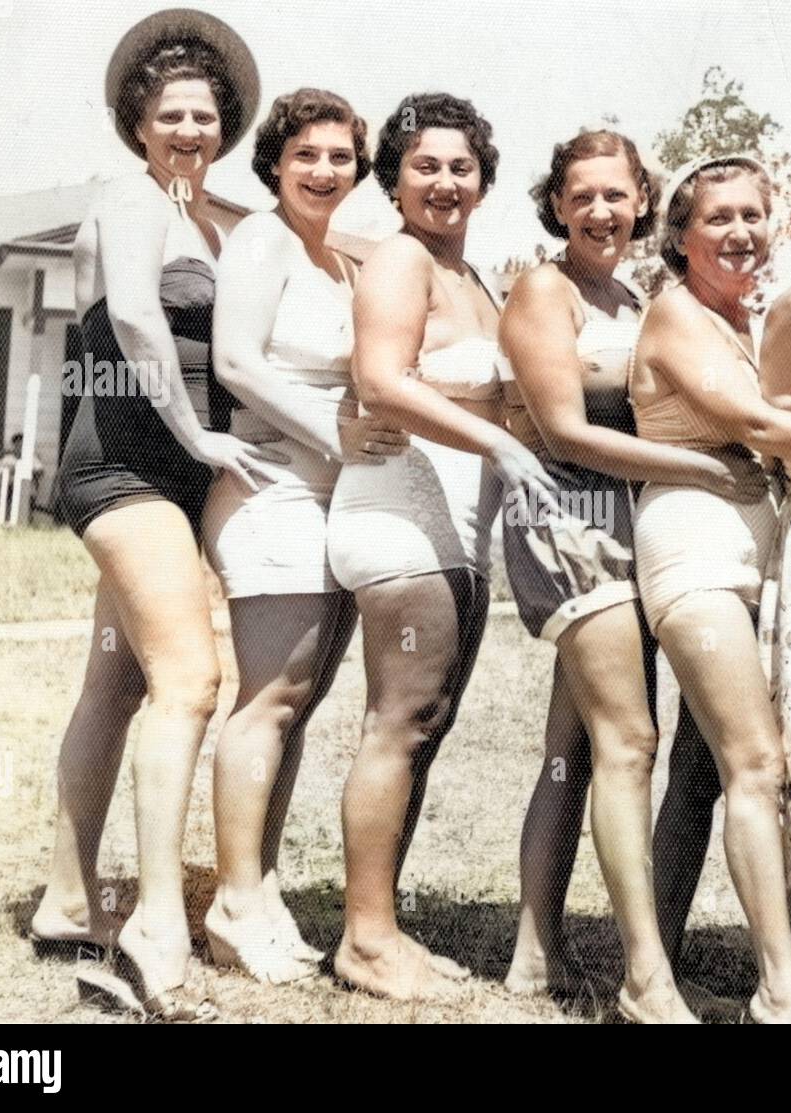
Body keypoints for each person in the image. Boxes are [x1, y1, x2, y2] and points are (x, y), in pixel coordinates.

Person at [497, 131, 767, 1021]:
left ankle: (542, 951)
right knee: (628, 741)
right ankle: (646, 980)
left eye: (619, 195)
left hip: (634, 517)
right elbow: (566, 431)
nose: (603, 212)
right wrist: (702, 470)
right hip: (567, 517)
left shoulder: (638, 294)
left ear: (643, 200)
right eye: (585, 197)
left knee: (575, 746)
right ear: (559, 205)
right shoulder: (545, 287)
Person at [39, 9, 269, 1019]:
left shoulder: (220, 216)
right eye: (170, 115)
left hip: (174, 476)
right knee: (191, 678)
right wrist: (200, 435)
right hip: (127, 464)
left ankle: (64, 900)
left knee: (116, 684)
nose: (188, 130)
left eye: (205, 116)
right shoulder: (130, 204)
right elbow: (135, 317)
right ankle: (152, 925)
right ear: (138, 123)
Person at [632, 154, 791, 1023]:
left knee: (700, 769)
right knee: (757, 761)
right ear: (679, 235)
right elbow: (753, 424)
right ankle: (783, 988)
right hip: (695, 550)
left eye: (754, 216)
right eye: (718, 219)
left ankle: (656, 972)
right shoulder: (675, 313)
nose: (740, 233)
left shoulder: (741, 319)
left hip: (755, 555)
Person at [326, 92, 557, 1001]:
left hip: (456, 531)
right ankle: (365, 940)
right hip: (398, 514)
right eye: (425, 165)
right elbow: (379, 379)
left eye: (463, 166)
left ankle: (380, 927)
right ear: (394, 178)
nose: (446, 181)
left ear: (485, 179)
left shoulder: (478, 279)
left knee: (427, 723)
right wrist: (499, 442)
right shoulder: (399, 258)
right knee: (400, 719)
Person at [202, 88, 403, 983]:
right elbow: (236, 363)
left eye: (340, 157)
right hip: (271, 485)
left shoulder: (341, 262)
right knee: (270, 697)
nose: (325, 171)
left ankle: (261, 882)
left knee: (302, 699)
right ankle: (233, 900)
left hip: (336, 496)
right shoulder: (261, 240)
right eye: (306, 156)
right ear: (275, 164)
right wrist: (336, 437)